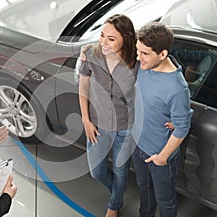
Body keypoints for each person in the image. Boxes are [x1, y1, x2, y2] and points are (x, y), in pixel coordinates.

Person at [78, 14, 138, 217]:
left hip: (126, 126)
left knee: (121, 171)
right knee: (96, 170)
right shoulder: (91, 55)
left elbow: (165, 62)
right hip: (97, 124)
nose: (103, 42)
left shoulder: (138, 62)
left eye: (111, 38)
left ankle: (115, 204)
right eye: (102, 35)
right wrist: (85, 120)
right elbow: (83, 86)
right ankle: (118, 192)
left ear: (126, 39)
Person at [131, 22, 193, 217]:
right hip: (138, 145)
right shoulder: (145, 64)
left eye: (144, 53)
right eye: (137, 51)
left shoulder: (177, 88)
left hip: (159, 157)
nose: (138, 57)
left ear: (163, 54)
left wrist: (161, 158)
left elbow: (182, 127)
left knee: (165, 202)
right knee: (144, 190)